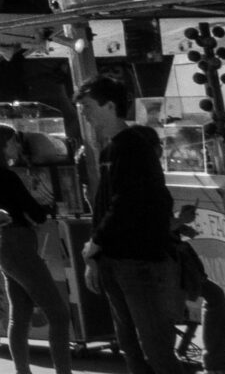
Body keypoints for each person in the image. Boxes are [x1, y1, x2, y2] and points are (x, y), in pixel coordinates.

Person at [85, 124, 185, 374]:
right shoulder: (126, 159)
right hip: (135, 258)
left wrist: (94, 248)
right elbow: (117, 207)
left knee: (136, 341)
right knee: (151, 340)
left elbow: (104, 207)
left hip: (119, 255)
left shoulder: (114, 156)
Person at [0, 122, 71, 374]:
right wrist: (42, 206)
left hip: (3, 243)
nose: (17, 146)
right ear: (1, 145)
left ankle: (22, 370)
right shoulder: (6, 176)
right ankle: (63, 370)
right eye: (13, 141)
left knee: (20, 314)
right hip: (18, 244)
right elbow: (36, 212)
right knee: (58, 313)